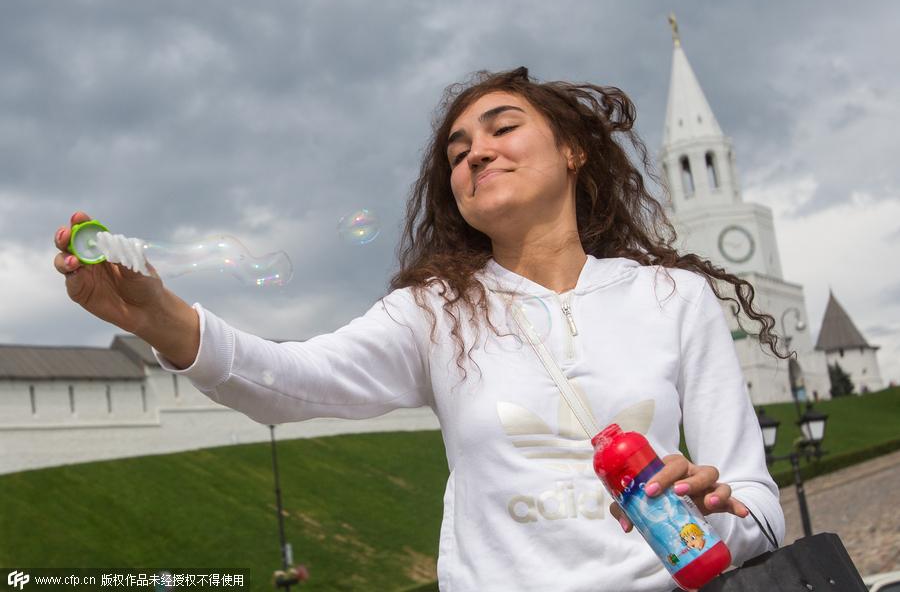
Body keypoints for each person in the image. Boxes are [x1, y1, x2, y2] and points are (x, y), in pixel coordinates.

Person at [54, 67, 785, 591]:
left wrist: (711, 510)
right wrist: (163, 317)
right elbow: (291, 383)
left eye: (503, 128)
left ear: (572, 151)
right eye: (458, 150)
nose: (476, 151)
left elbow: (759, 506)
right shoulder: (436, 311)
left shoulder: (674, 297)